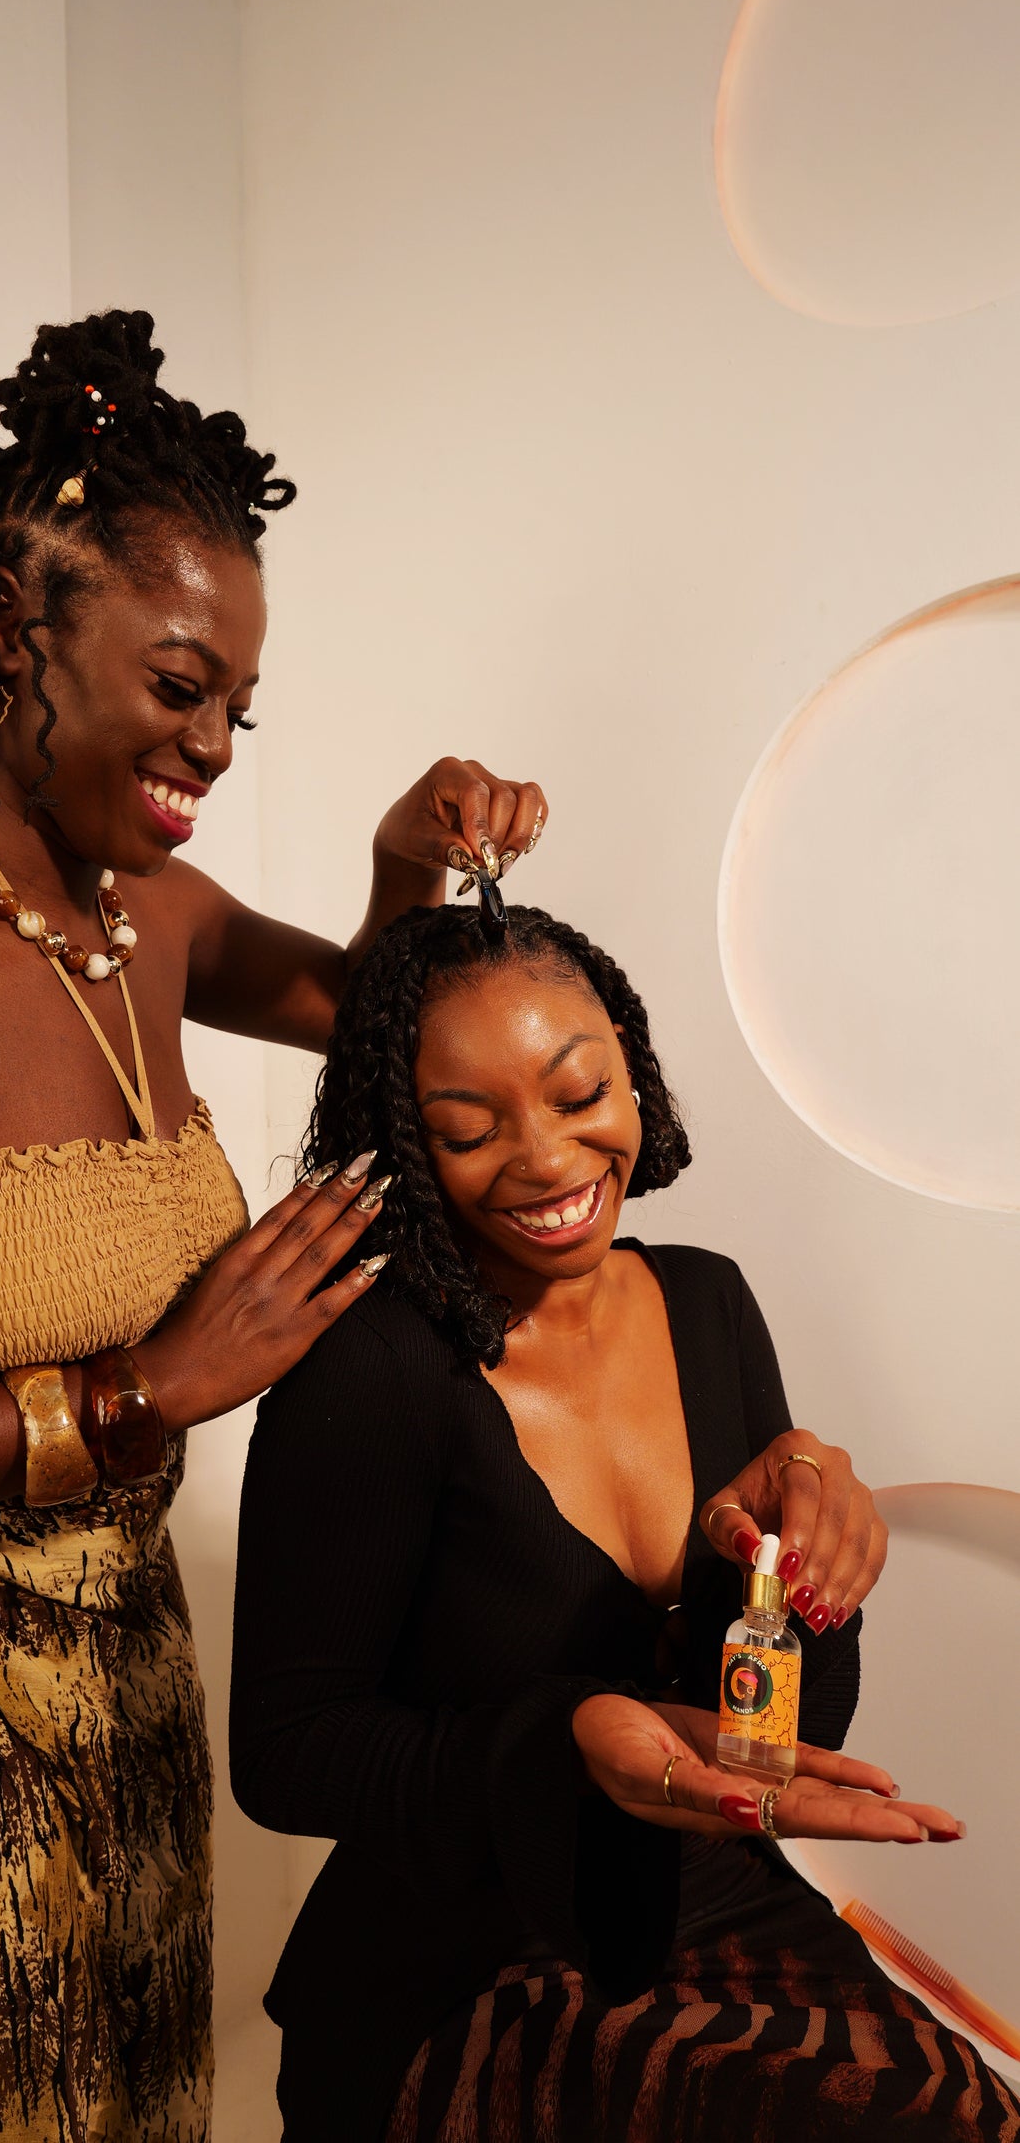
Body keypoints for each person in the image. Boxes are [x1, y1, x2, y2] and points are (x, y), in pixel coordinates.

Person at [0, 309, 544, 2143]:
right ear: (10, 632)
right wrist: (144, 1389)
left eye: (237, 710)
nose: (210, 746)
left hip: (124, 1697)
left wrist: (398, 867)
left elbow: (382, 1016)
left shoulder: (158, 913)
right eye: (180, 685)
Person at [230, 900, 1018, 2141]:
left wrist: (789, 1575)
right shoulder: (370, 1374)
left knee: (954, 2108)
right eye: (467, 1128)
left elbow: (780, 1734)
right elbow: (284, 1750)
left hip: (723, 1907)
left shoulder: (706, 1302)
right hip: (463, 1959)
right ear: (406, 1142)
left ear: (630, 1069)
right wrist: (565, 1740)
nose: (545, 1159)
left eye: (577, 1089)